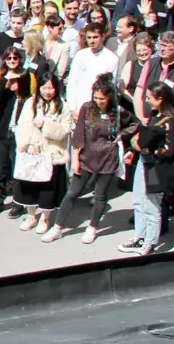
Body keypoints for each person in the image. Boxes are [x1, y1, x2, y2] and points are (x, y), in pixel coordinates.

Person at [45, 76, 136, 244]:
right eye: (95, 97)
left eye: (102, 98)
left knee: (101, 196)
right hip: (86, 156)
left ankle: (92, 228)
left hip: (108, 157)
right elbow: (79, 134)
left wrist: (122, 135)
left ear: (109, 97)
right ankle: (57, 227)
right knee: (72, 193)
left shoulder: (117, 111)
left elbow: (134, 123)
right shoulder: (87, 108)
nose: (98, 101)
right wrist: (76, 160)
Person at [12, 75, 72, 235]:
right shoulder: (30, 103)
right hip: (32, 152)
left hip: (52, 154)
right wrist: (28, 144)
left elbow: (64, 132)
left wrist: (45, 124)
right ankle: (31, 216)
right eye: (44, 87)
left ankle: (45, 218)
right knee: (29, 187)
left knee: (48, 190)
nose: (47, 91)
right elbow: (23, 126)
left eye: (51, 88)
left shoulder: (63, 106)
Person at [0, 46, 36, 216]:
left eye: (15, 58)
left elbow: (29, 97)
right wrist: (6, 83)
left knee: (17, 169)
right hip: (2, 129)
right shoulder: (2, 76)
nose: (12, 61)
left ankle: (18, 203)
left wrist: (18, 86)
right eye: (9, 58)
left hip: (20, 130)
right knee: (0, 169)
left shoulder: (28, 76)